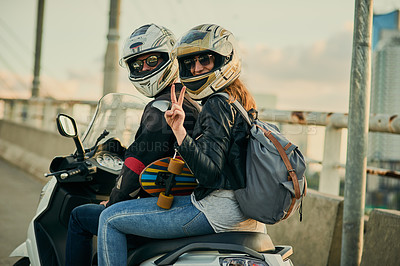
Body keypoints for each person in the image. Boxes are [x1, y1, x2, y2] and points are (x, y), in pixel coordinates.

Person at [97, 24, 265, 265]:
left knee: (109, 219)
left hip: (216, 211)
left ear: (223, 60)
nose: (196, 69)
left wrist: (179, 133)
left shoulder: (217, 105)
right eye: (191, 63)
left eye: (205, 60)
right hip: (242, 212)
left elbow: (209, 174)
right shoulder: (238, 100)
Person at [65, 24, 200, 266]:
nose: (145, 68)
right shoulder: (187, 100)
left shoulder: (161, 106)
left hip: (167, 207)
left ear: (169, 58)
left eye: (151, 60)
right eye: (137, 64)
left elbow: (137, 166)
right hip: (185, 201)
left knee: (79, 216)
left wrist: (115, 202)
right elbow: (159, 152)